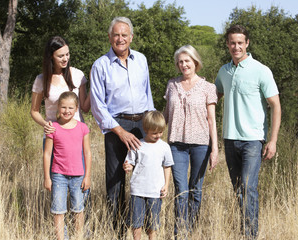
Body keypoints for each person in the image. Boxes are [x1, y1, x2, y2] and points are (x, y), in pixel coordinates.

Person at [90, 16, 154, 237]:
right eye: (116, 34)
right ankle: (117, 231)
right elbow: (98, 105)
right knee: (116, 181)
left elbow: (148, 95)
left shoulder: (142, 60)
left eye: (124, 35)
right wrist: (119, 131)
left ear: (131, 37)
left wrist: (151, 127)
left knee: (145, 179)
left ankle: (145, 229)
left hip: (143, 124)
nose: (120, 39)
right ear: (109, 37)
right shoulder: (100, 65)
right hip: (116, 126)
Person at [215, 25, 281, 238]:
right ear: (227, 44)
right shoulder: (223, 71)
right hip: (229, 139)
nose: (236, 47)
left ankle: (250, 235)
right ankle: (244, 229)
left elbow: (276, 106)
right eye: (232, 43)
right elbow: (213, 98)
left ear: (247, 44)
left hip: (253, 140)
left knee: (248, 188)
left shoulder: (261, 70)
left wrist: (273, 140)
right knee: (238, 189)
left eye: (240, 43)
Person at [30, 36, 91, 239]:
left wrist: (97, 85)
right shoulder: (42, 80)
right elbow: (34, 111)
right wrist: (45, 125)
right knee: (57, 192)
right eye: (60, 55)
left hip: (77, 138)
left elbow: (84, 106)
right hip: (55, 138)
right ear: (51, 57)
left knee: (80, 192)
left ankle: (79, 234)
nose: (65, 59)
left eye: (67, 54)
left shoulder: (77, 75)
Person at [164, 45, 219, 239]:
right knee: (181, 189)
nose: (183, 64)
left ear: (195, 62)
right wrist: (153, 132)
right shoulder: (172, 84)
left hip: (200, 144)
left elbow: (212, 120)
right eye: (180, 62)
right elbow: (166, 114)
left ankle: (192, 228)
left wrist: (215, 149)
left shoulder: (208, 87)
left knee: (196, 188)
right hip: (176, 144)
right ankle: (181, 232)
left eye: (187, 61)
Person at [43, 91, 92, 240]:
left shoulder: (83, 128)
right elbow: (47, 154)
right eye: (63, 107)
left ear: (76, 108)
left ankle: (78, 236)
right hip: (59, 176)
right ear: (58, 107)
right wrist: (47, 177)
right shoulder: (53, 128)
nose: (67, 111)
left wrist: (87, 176)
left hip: (78, 176)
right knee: (58, 210)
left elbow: (87, 153)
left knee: (78, 209)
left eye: (70, 108)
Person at [123, 111, 174, 240]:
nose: (158, 135)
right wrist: (127, 166)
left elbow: (167, 166)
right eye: (154, 133)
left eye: (161, 132)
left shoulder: (164, 147)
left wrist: (166, 185)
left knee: (153, 223)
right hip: (138, 190)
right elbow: (129, 162)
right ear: (145, 129)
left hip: (155, 191)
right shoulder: (137, 145)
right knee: (136, 222)